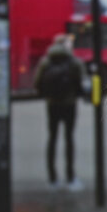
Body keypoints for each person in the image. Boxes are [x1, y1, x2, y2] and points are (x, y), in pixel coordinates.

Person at [34, 34, 87, 192]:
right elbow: (84, 84)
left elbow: (37, 83)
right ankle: (70, 178)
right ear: (65, 46)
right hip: (69, 105)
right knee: (69, 139)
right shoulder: (75, 62)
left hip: (52, 105)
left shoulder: (46, 62)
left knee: (52, 139)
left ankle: (52, 179)